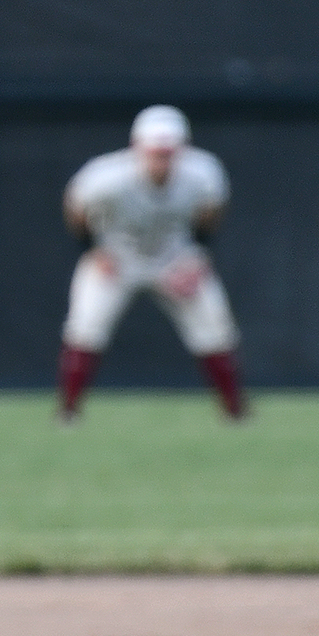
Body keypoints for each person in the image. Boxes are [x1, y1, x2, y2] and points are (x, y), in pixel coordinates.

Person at [56, 104, 246, 422]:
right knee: (85, 328)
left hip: (173, 257)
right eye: (155, 153)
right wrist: (92, 250)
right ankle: (69, 412)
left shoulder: (203, 173)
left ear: (182, 150)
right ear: (137, 149)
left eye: (168, 153)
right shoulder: (106, 177)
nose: (162, 161)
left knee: (215, 328)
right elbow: (74, 205)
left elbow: (212, 211)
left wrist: (197, 255)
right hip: (118, 257)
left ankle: (234, 412)